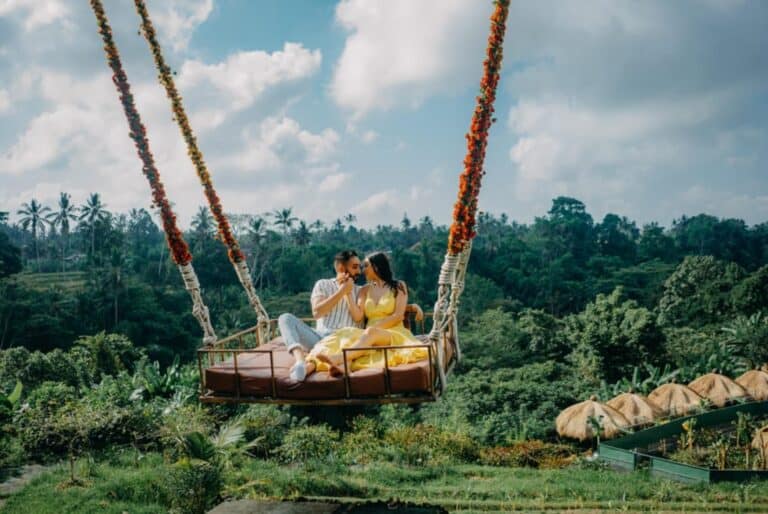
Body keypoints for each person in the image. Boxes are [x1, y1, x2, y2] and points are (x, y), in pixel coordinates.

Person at [302, 251, 428, 379]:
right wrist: (347, 292)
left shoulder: (398, 286)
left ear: (376, 267)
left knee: (369, 333)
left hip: (392, 332)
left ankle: (338, 358)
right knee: (347, 333)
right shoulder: (364, 290)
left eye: (366, 265)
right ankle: (340, 367)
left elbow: (398, 315)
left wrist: (412, 307)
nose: (363, 270)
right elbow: (357, 316)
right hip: (368, 334)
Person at [277, 250, 363, 381]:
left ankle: (325, 364)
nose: (359, 272)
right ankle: (300, 361)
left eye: (359, 267)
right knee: (285, 318)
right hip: (320, 338)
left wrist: (348, 292)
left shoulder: (361, 291)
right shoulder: (323, 284)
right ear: (341, 267)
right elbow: (317, 313)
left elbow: (358, 318)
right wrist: (342, 291)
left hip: (346, 342)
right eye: (355, 267)